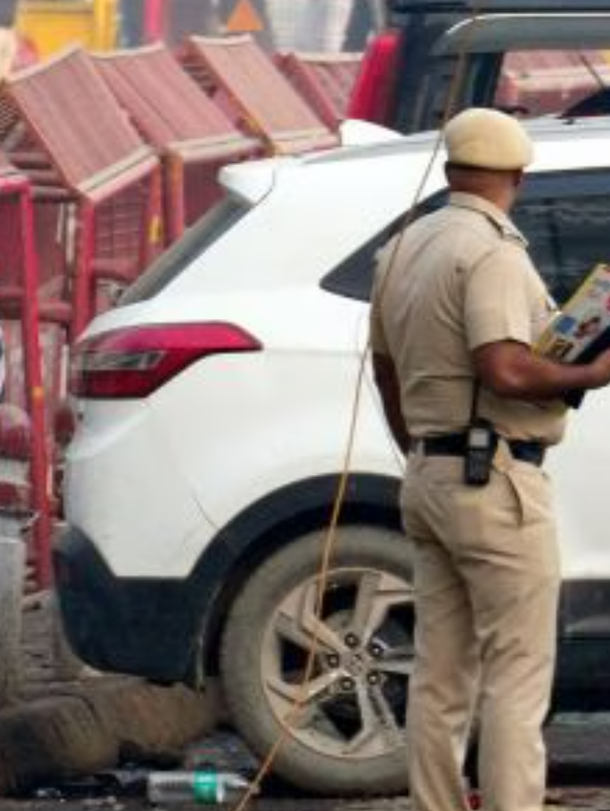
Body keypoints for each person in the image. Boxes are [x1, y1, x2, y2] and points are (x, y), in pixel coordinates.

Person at [369, 107, 610, 811]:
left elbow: (386, 373)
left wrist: (421, 444)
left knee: (440, 678)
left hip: (432, 474)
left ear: (452, 171)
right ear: (517, 176)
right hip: (495, 480)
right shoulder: (493, 253)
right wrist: (587, 375)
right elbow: (504, 368)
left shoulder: (404, 248)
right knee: (516, 674)